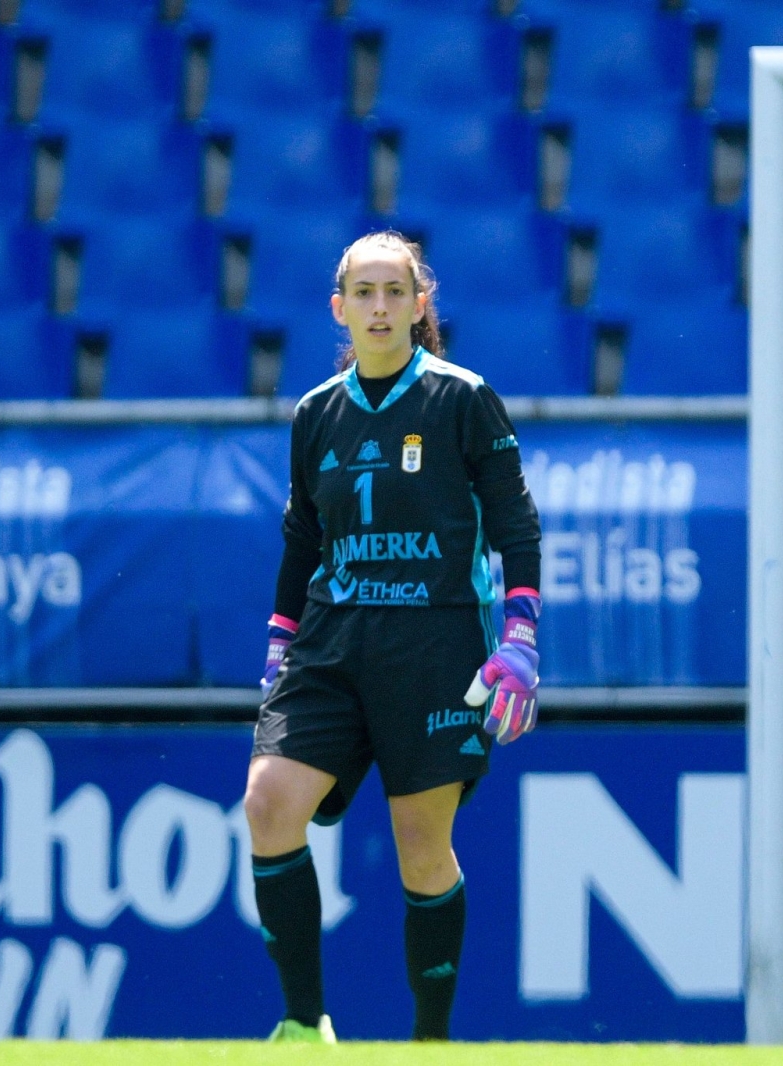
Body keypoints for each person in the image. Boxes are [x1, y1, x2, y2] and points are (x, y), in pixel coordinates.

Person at [244, 231, 543, 1042]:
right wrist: (280, 642)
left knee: (421, 848)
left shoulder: (462, 398)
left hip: (437, 643)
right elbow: (303, 538)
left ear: (420, 305)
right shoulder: (315, 413)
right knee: (268, 805)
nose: (380, 307)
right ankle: (305, 1028)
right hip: (333, 643)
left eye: (394, 291)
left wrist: (521, 633)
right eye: (363, 293)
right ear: (339, 309)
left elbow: (515, 520)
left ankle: (430, 1043)